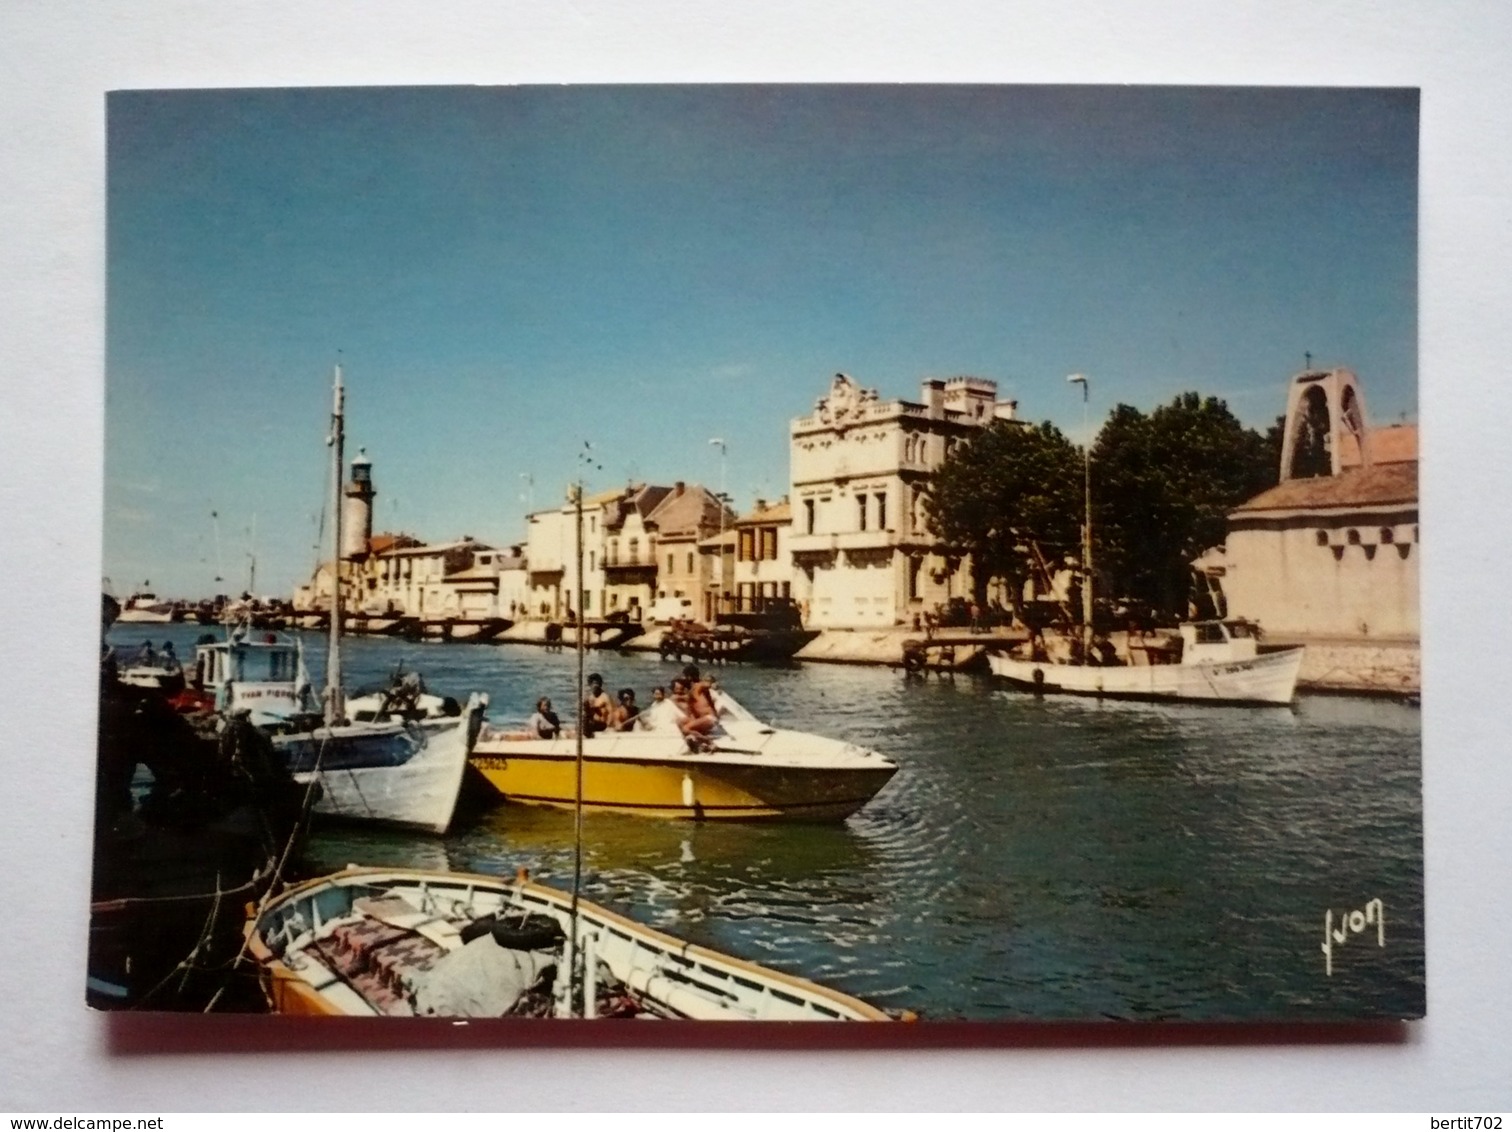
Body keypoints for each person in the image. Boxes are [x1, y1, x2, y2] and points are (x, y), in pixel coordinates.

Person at [679, 663, 719, 750]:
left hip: (710, 718)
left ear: (689, 677)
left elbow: (707, 685)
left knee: (685, 729)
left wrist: (712, 685)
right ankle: (698, 741)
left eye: (685, 676)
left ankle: (709, 742)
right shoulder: (691, 691)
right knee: (681, 721)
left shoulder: (699, 686)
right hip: (703, 719)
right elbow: (691, 710)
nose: (683, 678)